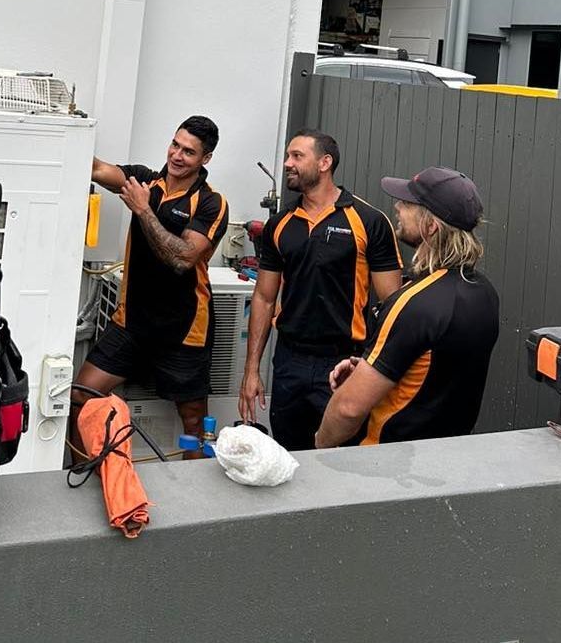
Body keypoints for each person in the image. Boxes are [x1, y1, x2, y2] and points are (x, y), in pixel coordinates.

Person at [72, 115, 229, 459]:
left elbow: (183, 259)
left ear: (206, 159)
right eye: (175, 144)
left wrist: (143, 211)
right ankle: (85, 475)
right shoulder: (144, 180)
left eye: (189, 151)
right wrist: (71, 129)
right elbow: (96, 168)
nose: (176, 155)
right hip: (132, 323)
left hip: (184, 330)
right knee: (81, 395)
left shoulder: (210, 203)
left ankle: (194, 498)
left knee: (194, 424)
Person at [238, 130, 403, 451]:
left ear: (325, 162)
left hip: (344, 362)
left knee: (341, 459)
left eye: (297, 156)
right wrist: (251, 371)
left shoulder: (368, 221)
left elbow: (392, 306)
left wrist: (374, 370)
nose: (287, 163)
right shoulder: (280, 223)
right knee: (287, 453)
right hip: (289, 362)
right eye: (287, 156)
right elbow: (264, 297)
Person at [313, 166, 500, 448]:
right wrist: (367, 369)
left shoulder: (414, 302)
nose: (397, 207)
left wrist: (321, 447)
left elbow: (348, 409)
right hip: (446, 456)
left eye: (408, 203)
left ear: (431, 226)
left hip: (389, 463)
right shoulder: (484, 292)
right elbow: (435, 371)